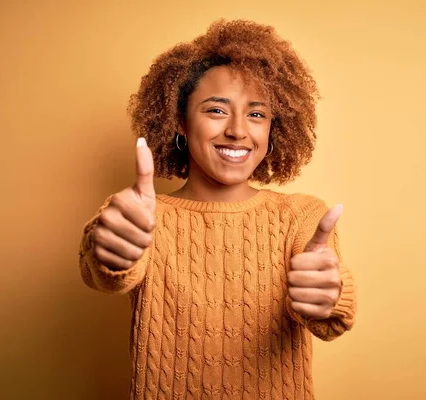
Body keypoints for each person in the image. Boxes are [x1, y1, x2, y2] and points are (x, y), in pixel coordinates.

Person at [78, 19, 357, 400]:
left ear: (273, 128)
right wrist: (108, 251)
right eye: (216, 110)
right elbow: (108, 273)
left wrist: (328, 297)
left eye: (257, 114)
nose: (239, 131)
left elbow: (329, 319)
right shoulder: (140, 214)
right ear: (180, 121)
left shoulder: (302, 216)